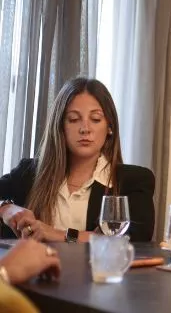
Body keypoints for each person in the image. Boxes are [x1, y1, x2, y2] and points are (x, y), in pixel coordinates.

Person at [0, 78, 155, 242]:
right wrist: (6, 209)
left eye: (95, 119)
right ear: (60, 126)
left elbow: (135, 238)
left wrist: (58, 234)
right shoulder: (29, 173)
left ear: (109, 127)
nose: (85, 129)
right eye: (74, 119)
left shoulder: (134, 180)